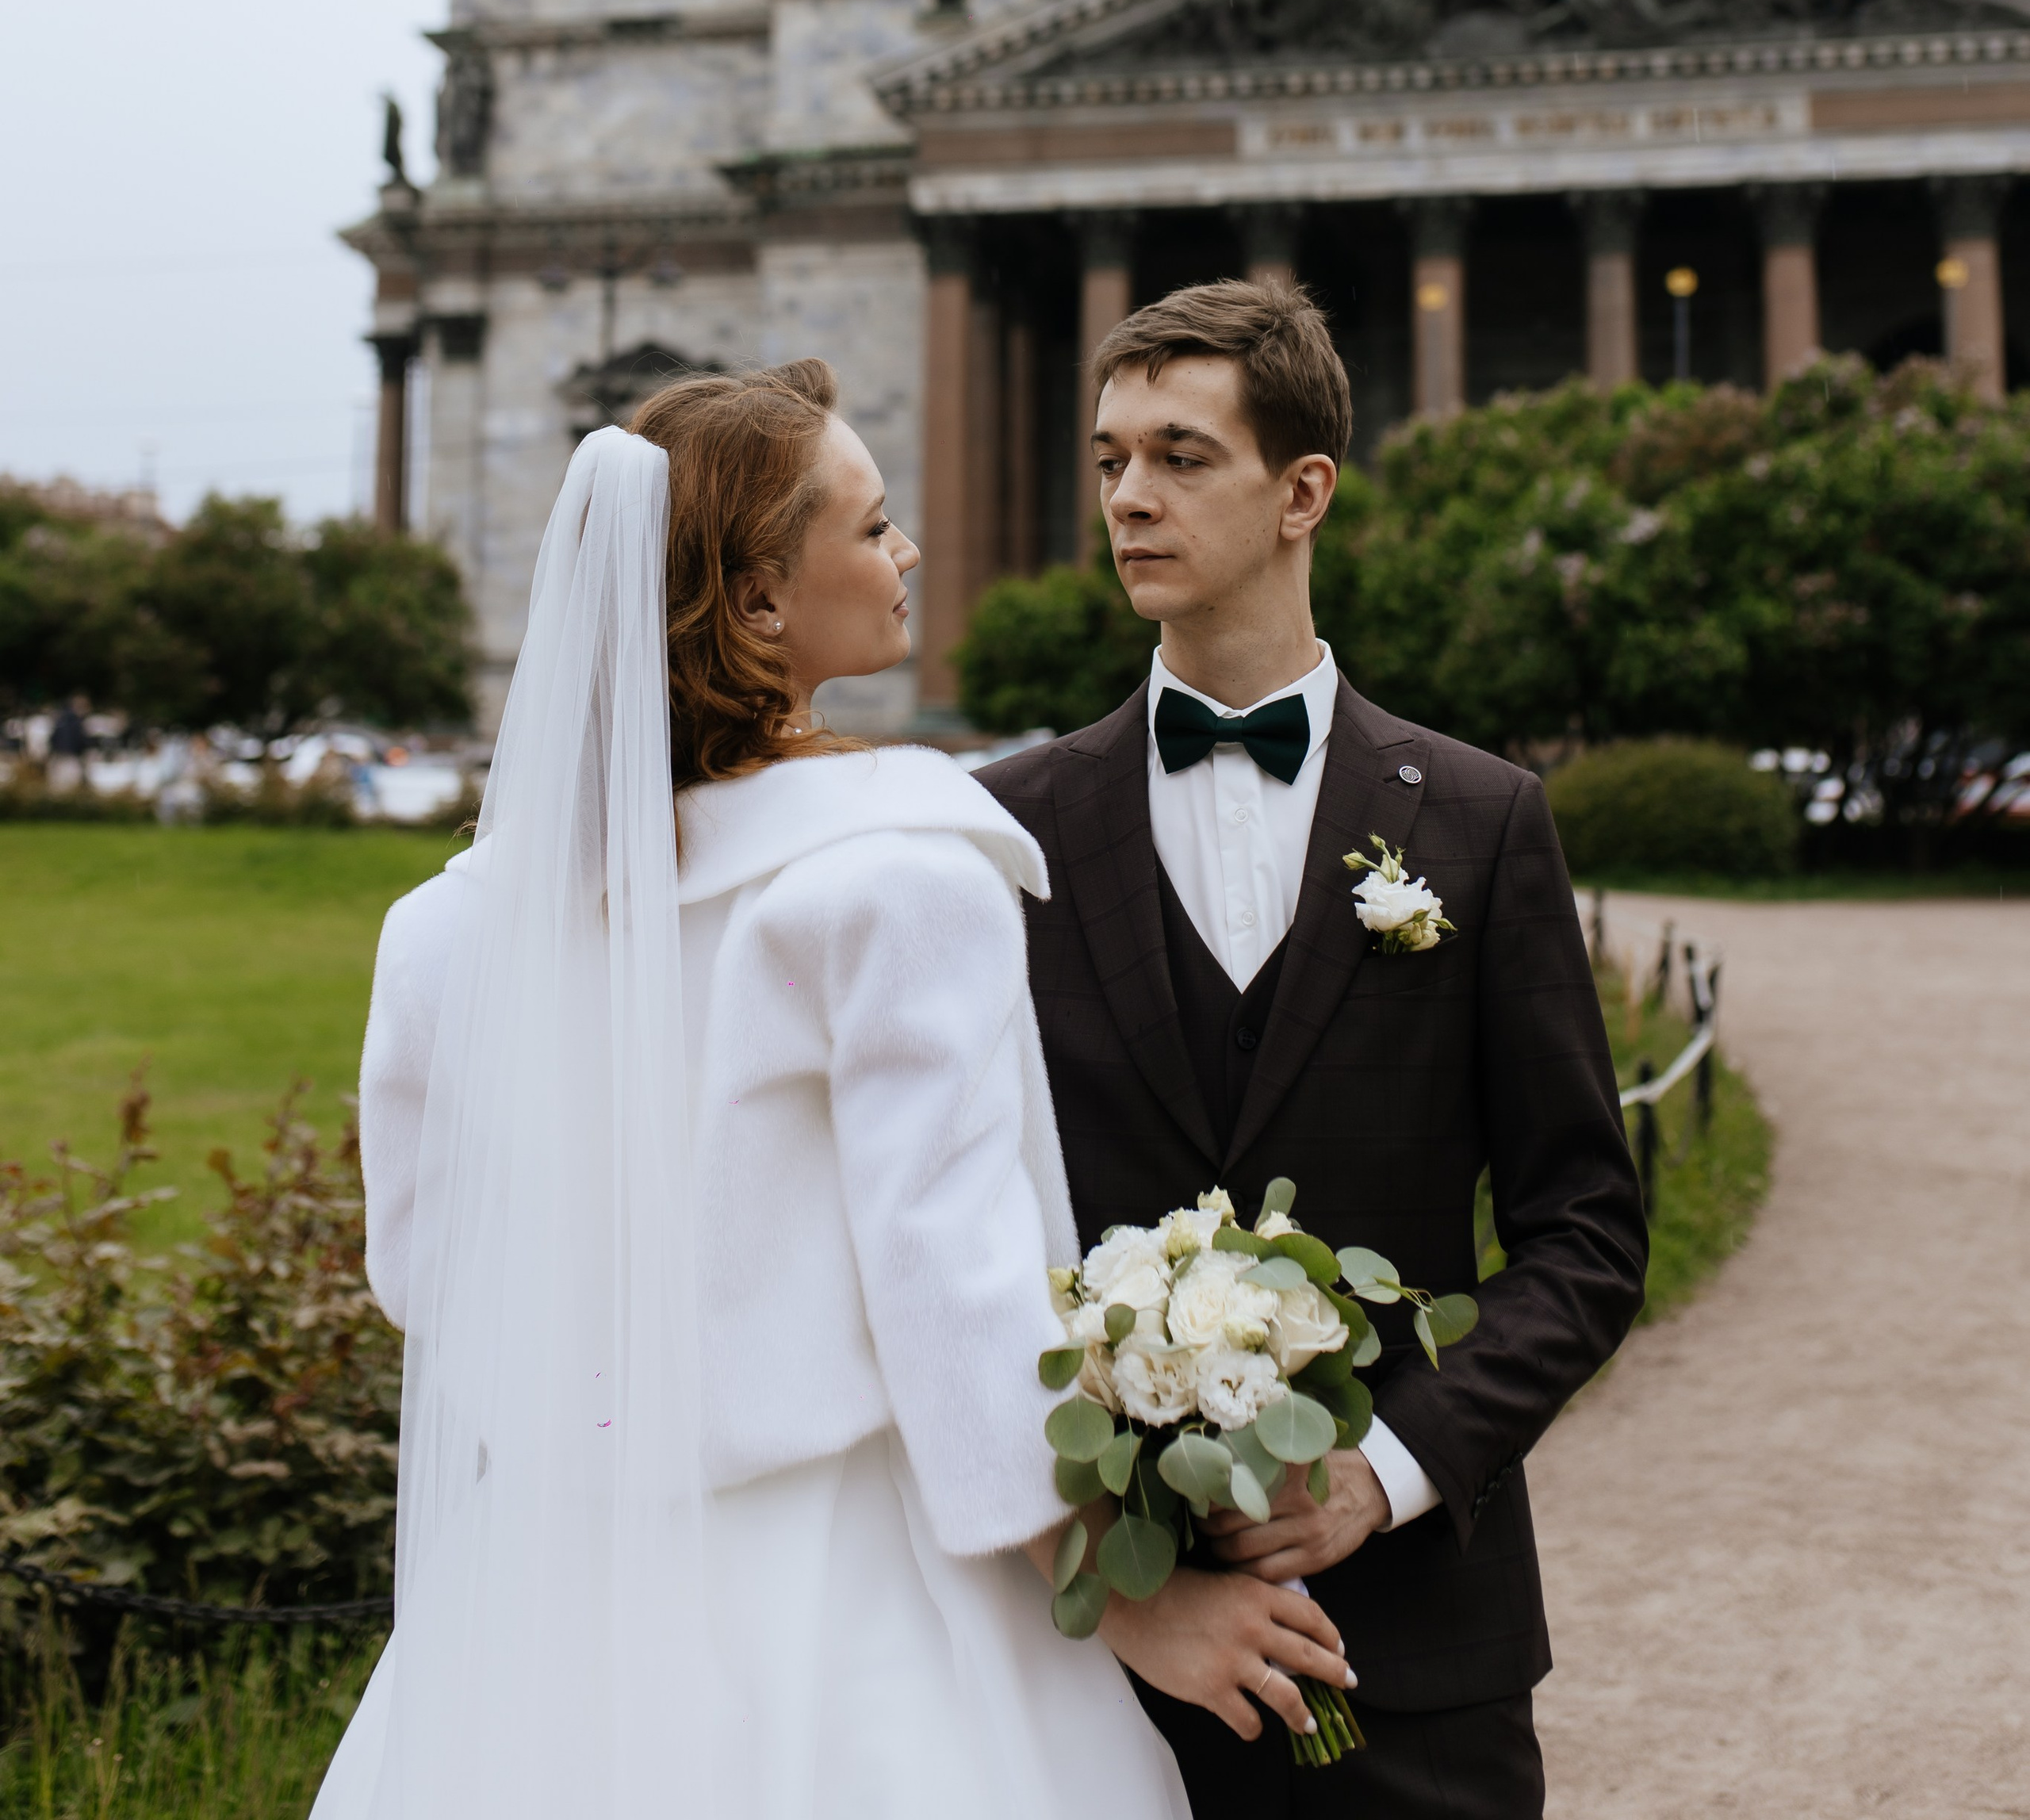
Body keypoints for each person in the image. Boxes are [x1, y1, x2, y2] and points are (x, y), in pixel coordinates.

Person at [312, 359, 1347, 1820]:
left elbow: (427, 1275)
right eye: (869, 529)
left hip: (541, 1613)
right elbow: (961, 1305)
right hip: (857, 1600)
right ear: (756, 605)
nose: (907, 552)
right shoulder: (895, 882)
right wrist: (1126, 1600)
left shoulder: (442, 935)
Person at [977, 280, 1648, 1819]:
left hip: (1415, 1659)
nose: (1127, 497)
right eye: (1105, 460)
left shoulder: (1478, 826)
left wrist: (1384, 1473)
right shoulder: (1001, 837)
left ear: (1302, 491)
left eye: (1178, 455)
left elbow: (1584, 1234)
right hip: (1094, 1661)